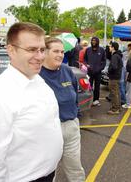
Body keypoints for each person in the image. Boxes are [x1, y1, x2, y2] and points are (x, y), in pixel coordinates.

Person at [0, 22, 63, 182]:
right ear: (11, 50)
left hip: (49, 175)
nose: (40, 56)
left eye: (42, 49)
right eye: (32, 49)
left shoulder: (38, 81)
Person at [40, 37, 85, 182]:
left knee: (75, 168)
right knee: (47, 170)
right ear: (45, 52)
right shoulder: (37, 75)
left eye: (62, 51)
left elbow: (75, 94)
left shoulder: (66, 70)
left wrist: (76, 115)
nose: (60, 55)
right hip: (49, 130)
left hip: (71, 127)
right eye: (55, 51)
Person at [84, 37, 106, 106]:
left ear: (97, 41)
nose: (93, 42)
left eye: (95, 41)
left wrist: (100, 68)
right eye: (92, 40)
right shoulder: (88, 50)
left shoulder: (101, 50)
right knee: (89, 86)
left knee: (97, 87)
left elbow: (104, 61)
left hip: (98, 72)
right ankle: (89, 99)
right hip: (90, 72)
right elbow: (85, 59)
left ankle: (96, 100)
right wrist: (86, 65)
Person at [107, 41, 123, 115]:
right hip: (117, 77)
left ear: (113, 47)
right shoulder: (118, 55)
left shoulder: (115, 56)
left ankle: (115, 109)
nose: (109, 48)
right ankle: (118, 107)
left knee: (114, 93)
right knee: (117, 93)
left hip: (113, 77)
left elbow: (114, 66)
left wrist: (109, 71)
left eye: (110, 46)